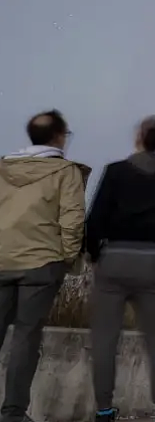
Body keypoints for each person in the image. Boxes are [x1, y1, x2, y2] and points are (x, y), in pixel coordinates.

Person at [86, 116, 155, 422]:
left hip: (114, 258)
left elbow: (96, 218)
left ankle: (104, 411)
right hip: (151, 263)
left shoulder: (116, 172)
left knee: (104, 341)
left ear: (140, 137)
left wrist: (96, 255)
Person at [0, 110, 89, 422]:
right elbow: (73, 221)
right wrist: (66, 258)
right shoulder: (66, 172)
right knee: (26, 338)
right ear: (59, 136)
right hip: (41, 263)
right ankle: (12, 414)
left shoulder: (2, 167)